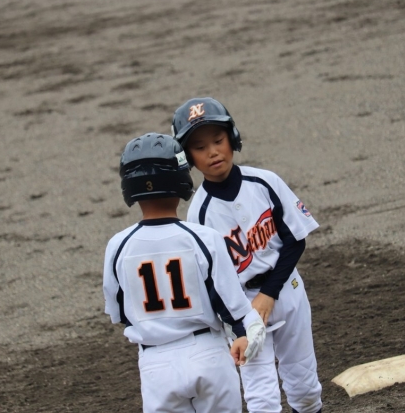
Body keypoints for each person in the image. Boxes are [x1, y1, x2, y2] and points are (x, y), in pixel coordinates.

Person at [172, 98, 323, 413]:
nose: (213, 152)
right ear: (188, 158)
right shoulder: (199, 214)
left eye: (218, 140)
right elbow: (212, 281)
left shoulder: (264, 182)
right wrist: (239, 321)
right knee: (262, 400)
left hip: (288, 289)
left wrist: (269, 293)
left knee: (305, 388)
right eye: (200, 147)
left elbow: (295, 241)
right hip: (242, 307)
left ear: (233, 138)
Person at [102, 132, 267, 413]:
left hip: (155, 364)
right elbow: (230, 302)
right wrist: (242, 332)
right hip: (208, 354)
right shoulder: (203, 237)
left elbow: (119, 312)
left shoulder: (118, 246)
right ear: (181, 179)